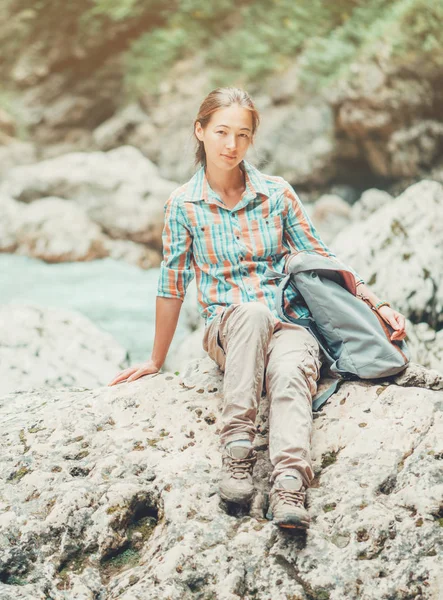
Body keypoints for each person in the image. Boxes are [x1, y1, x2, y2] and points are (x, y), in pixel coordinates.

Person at [108, 87, 407, 529]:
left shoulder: (277, 193)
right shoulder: (183, 205)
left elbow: (321, 257)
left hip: (289, 324)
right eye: (222, 132)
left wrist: (377, 303)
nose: (231, 145)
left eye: (242, 135)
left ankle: (289, 485)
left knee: (289, 373)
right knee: (251, 315)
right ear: (200, 131)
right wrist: (156, 359)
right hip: (228, 326)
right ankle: (237, 450)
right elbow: (172, 284)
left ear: (251, 140)